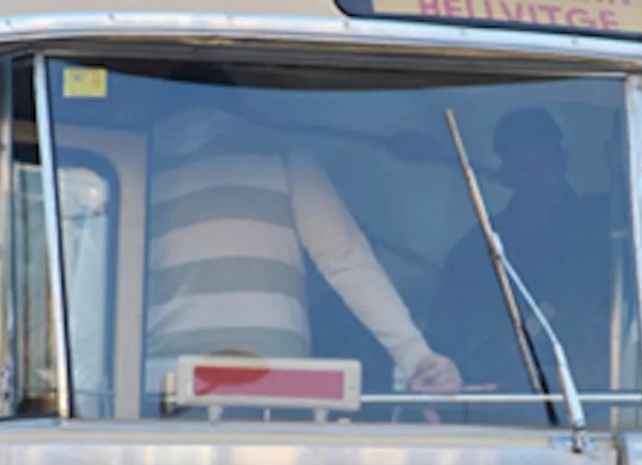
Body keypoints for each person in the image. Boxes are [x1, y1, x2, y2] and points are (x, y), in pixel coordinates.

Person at [146, 90, 460, 405]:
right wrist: (414, 355)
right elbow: (344, 258)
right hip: (274, 379)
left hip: (160, 382)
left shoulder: (136, 157)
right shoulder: (279, 149)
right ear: (241, 97)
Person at [426, 107, 620, 421]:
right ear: (508, 169)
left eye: (543, 156)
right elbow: (449, 342)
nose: (537, 169)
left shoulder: (612, 227)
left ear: (562, 159)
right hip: (507, 413)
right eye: (523, 158)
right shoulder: (478, 250)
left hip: (612, 404)